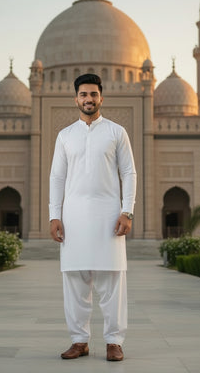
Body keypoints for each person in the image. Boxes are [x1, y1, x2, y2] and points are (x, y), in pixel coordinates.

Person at [49, 73, 137, 362]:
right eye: (83, 94)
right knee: (75, 282)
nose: (88, 99)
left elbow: (129, 173)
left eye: (93, 94)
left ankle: (114, 341)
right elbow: (57, 177)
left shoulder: (116, 132)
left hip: (108, 216)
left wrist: (127, 210)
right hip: (73, 217)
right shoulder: (65, 135)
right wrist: (54, 215)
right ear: (76, 99)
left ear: (101, 98)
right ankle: (79, 341)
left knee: (112, 281)